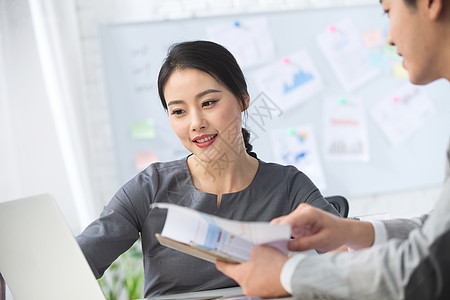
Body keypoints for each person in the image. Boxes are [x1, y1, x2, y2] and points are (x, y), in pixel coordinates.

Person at [216, 0, 450, 299]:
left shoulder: (287, 180)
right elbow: (440, 233)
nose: (388, 37)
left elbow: (424, 272)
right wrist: (353, 231)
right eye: (177, 110)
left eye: (388, 12)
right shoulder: (155, 182)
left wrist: (287, 274)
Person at [76, 40, 339, 297]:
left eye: (208, 103)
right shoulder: (150, 187)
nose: (196, 123)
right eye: (179, 111)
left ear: (243, 99)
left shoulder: (288, 186)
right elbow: (78, 262)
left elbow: (347, 262)